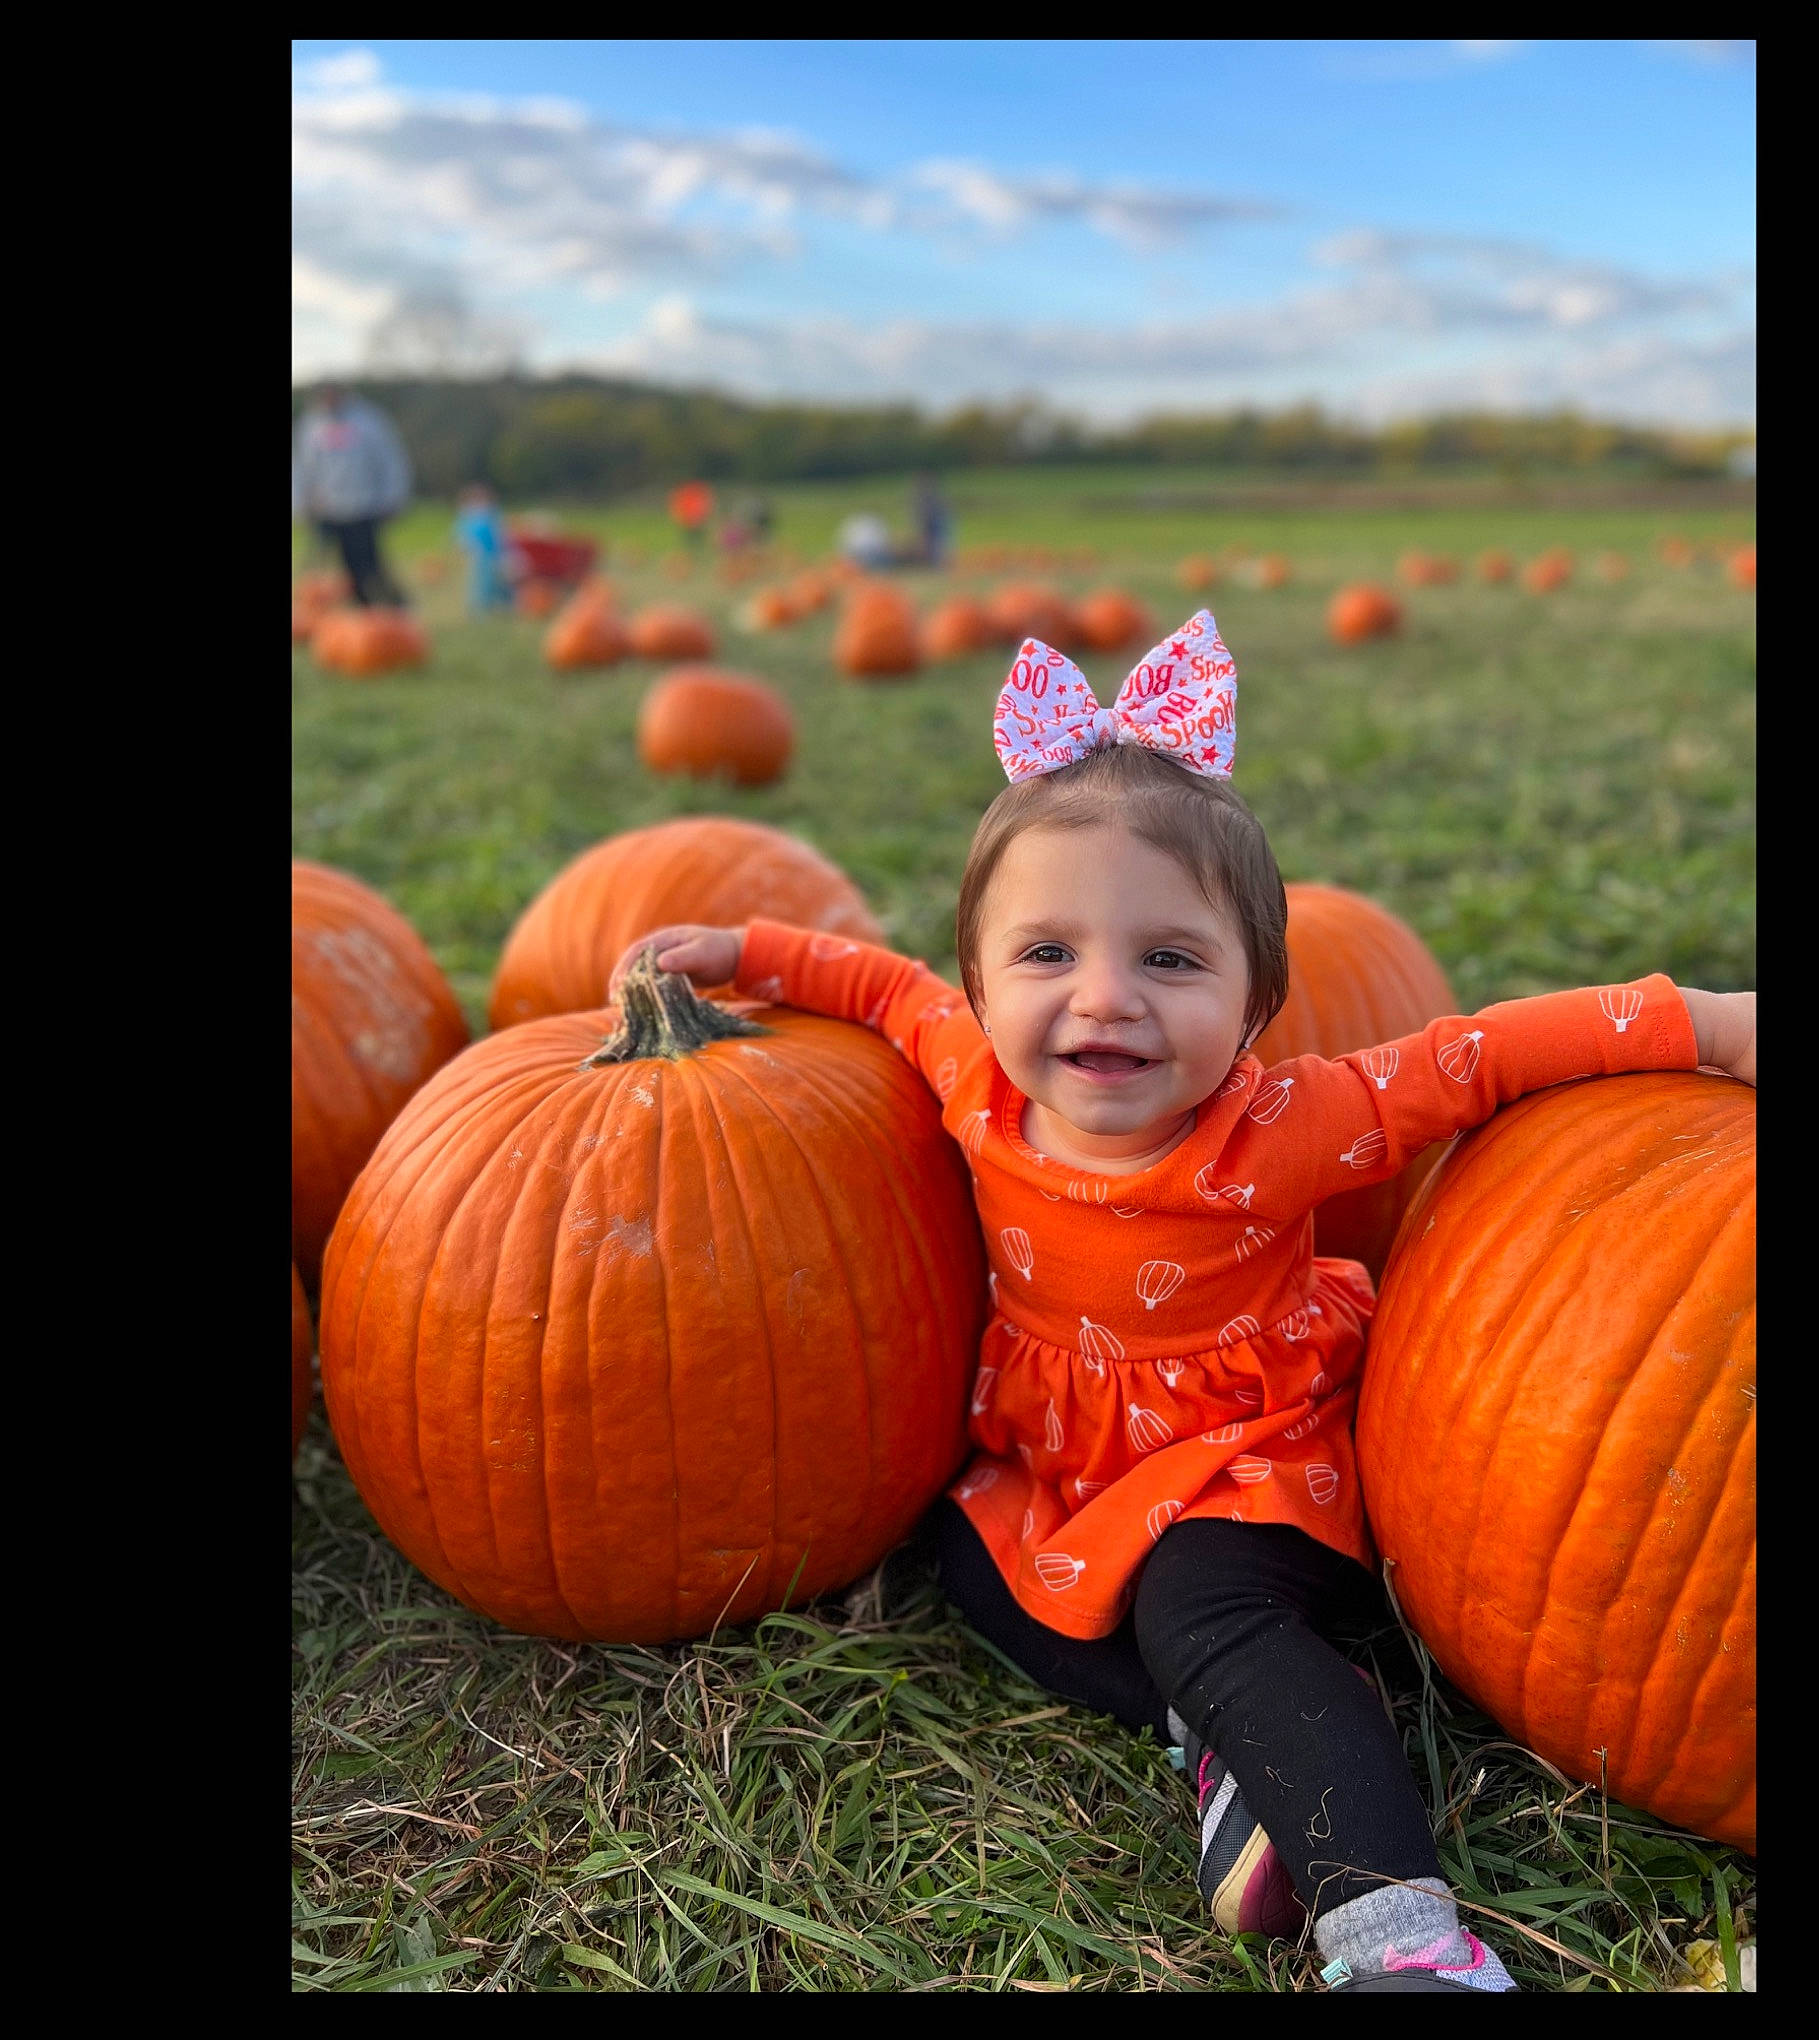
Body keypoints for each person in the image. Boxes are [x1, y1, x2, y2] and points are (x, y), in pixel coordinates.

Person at [607, 611, 1758, 1995]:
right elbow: (871, 981)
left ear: (1257, 1001)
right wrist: (746, 947)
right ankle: (1237, 1737)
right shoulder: (971, 1075)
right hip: (1065, 1460)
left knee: (1201, 1610)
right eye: (1046, 956)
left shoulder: (1285, 1124)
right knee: (963, 1564)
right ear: (980, 980)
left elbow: (1485, 1054)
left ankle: (1403, 1938)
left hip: (1246, 1465)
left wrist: (1709, 1022)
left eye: (1170, 960)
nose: (1105, 1000)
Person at [292, 384, 413, 607]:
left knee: (368, 562)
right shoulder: (310, 426)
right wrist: (301, 502)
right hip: (326, 508)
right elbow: (302, 467)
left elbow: (389, 461)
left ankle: (392, 607)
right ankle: (346, 610)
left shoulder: (369, 420)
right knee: (321, 563)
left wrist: (393, 496)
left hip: (364, 506)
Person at [453, 483, 513, 613]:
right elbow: (462, 535)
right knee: (482, 582)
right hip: (479, 555)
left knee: (501, 581)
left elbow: (500, 533)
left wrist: (505, 551)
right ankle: (480, 607)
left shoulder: (492, 514)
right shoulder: (468, 516)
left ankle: (507, 603)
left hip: (495, 553)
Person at [669, 480, 714, 549]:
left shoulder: (697, 495)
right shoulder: (686, 496)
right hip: (688, 523)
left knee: (698, 542)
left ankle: (696, 550)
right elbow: (679, 508)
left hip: (697, 522)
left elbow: (705, 507)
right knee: (690, 542)